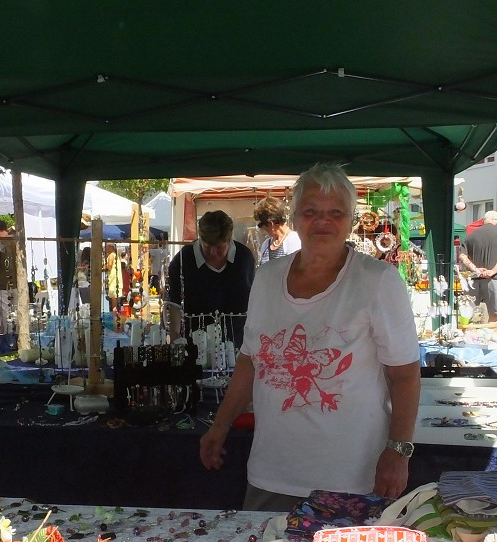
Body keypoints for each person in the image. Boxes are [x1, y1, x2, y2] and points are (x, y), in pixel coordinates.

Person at [199, 164, 420, 511]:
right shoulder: (267, 277)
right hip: (271, 472)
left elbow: (404, 374)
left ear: (350, 220)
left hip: (351, 477)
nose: (323, 221)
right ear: (296, 217)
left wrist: (400, 449)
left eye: (335, 213)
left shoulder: (378, 281)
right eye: (311, 211)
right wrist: (220, 425)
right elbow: (249, 361)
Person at [165, 210, 255, 349]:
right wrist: (174, 337)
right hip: (194, 346)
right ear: (200, 238)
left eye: (219, 247)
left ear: (229, 240)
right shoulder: (183, 259)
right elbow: (173, 304)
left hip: (238, 346)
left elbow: (254, 303)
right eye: (207, 246)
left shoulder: (244, 258)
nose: (213, 253)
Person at [460, 210, 497, 328]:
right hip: (494, 279)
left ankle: (468, 340)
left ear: (483, 221)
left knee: (467, 315)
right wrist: (493, 270)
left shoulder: (471, 235)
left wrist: (475, 269)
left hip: (473, 280)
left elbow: (462, 256)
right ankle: (490, 339)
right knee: (494, 315)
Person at [252, 196, 301, 265]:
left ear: (271, 223)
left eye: (260, 225)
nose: (262, 229)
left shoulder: (295, 241)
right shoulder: (266, 244)